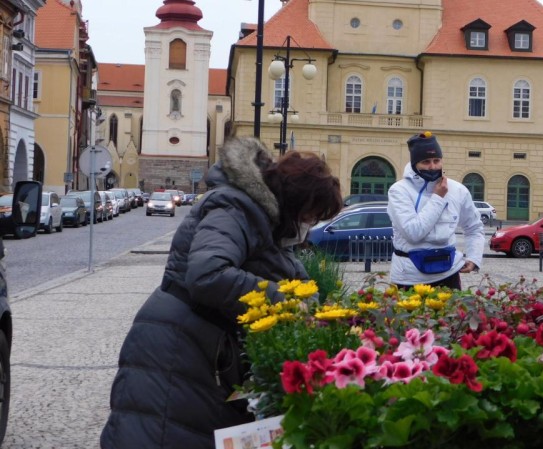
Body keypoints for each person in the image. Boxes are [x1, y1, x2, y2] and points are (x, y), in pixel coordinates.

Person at [101, 137, 343, 449]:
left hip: (197, 345)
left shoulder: (259, 217)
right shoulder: (234, 205)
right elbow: (208, 274)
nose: (309, 224)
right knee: (160, 432)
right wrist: (286, 302)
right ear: (295, 202)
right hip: (179, 346)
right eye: (311, 215)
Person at [387, 131, 484, 290]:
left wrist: (474, 257)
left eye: (436, 160)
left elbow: (474, 227)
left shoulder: (458, 190)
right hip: (409, 277)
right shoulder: (398, 191)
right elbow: (413, 232)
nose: (432, 167)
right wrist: (438, 198)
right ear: (414, 164)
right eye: (425, 161)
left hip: (448, 275)